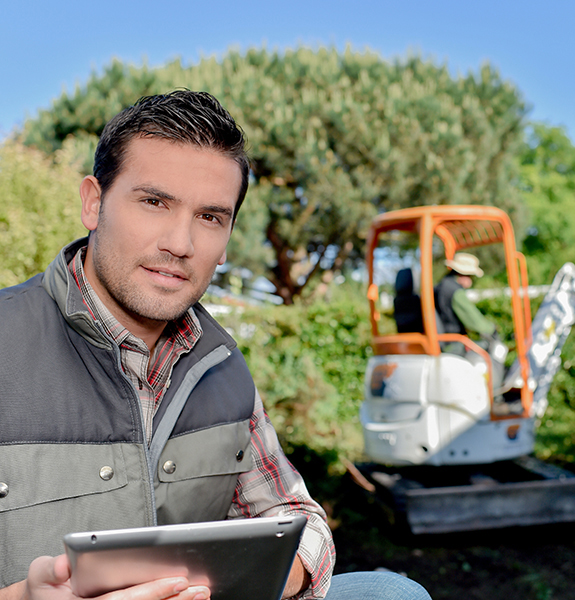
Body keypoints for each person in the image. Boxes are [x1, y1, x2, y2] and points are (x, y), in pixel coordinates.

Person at [0, 91, 432, 600]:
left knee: (391, 593)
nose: (180, 243)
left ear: (227, 240)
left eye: (209, 217)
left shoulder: (221, 364)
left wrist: (257, 577)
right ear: (93, 203)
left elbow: (295, 516)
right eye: (154, 202)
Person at [434, 252, 496, 351]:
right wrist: (491, 329)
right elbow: (475, 322)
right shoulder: (455, 292)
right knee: (488, 348)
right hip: (451, 344)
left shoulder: (440, 286)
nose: (471, 280)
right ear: (464, 274)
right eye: (471, 276)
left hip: (441, 341)